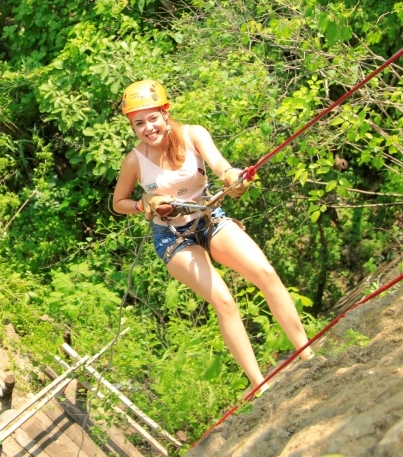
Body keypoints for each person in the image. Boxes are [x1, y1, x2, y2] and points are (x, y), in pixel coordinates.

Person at [112, 80, 314, 392]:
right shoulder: (134, 160)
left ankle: (308, 354)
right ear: (132, 127)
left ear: (165, 113)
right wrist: (144, 204)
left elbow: (220, 165)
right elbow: (118, 203)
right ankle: (260, 386)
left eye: (152, 118)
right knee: (224, 301)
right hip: (172, 236)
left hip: (208, 217)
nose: (148, 128)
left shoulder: (193, 134)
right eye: (139, 123)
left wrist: (233, 177)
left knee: (265, 273)